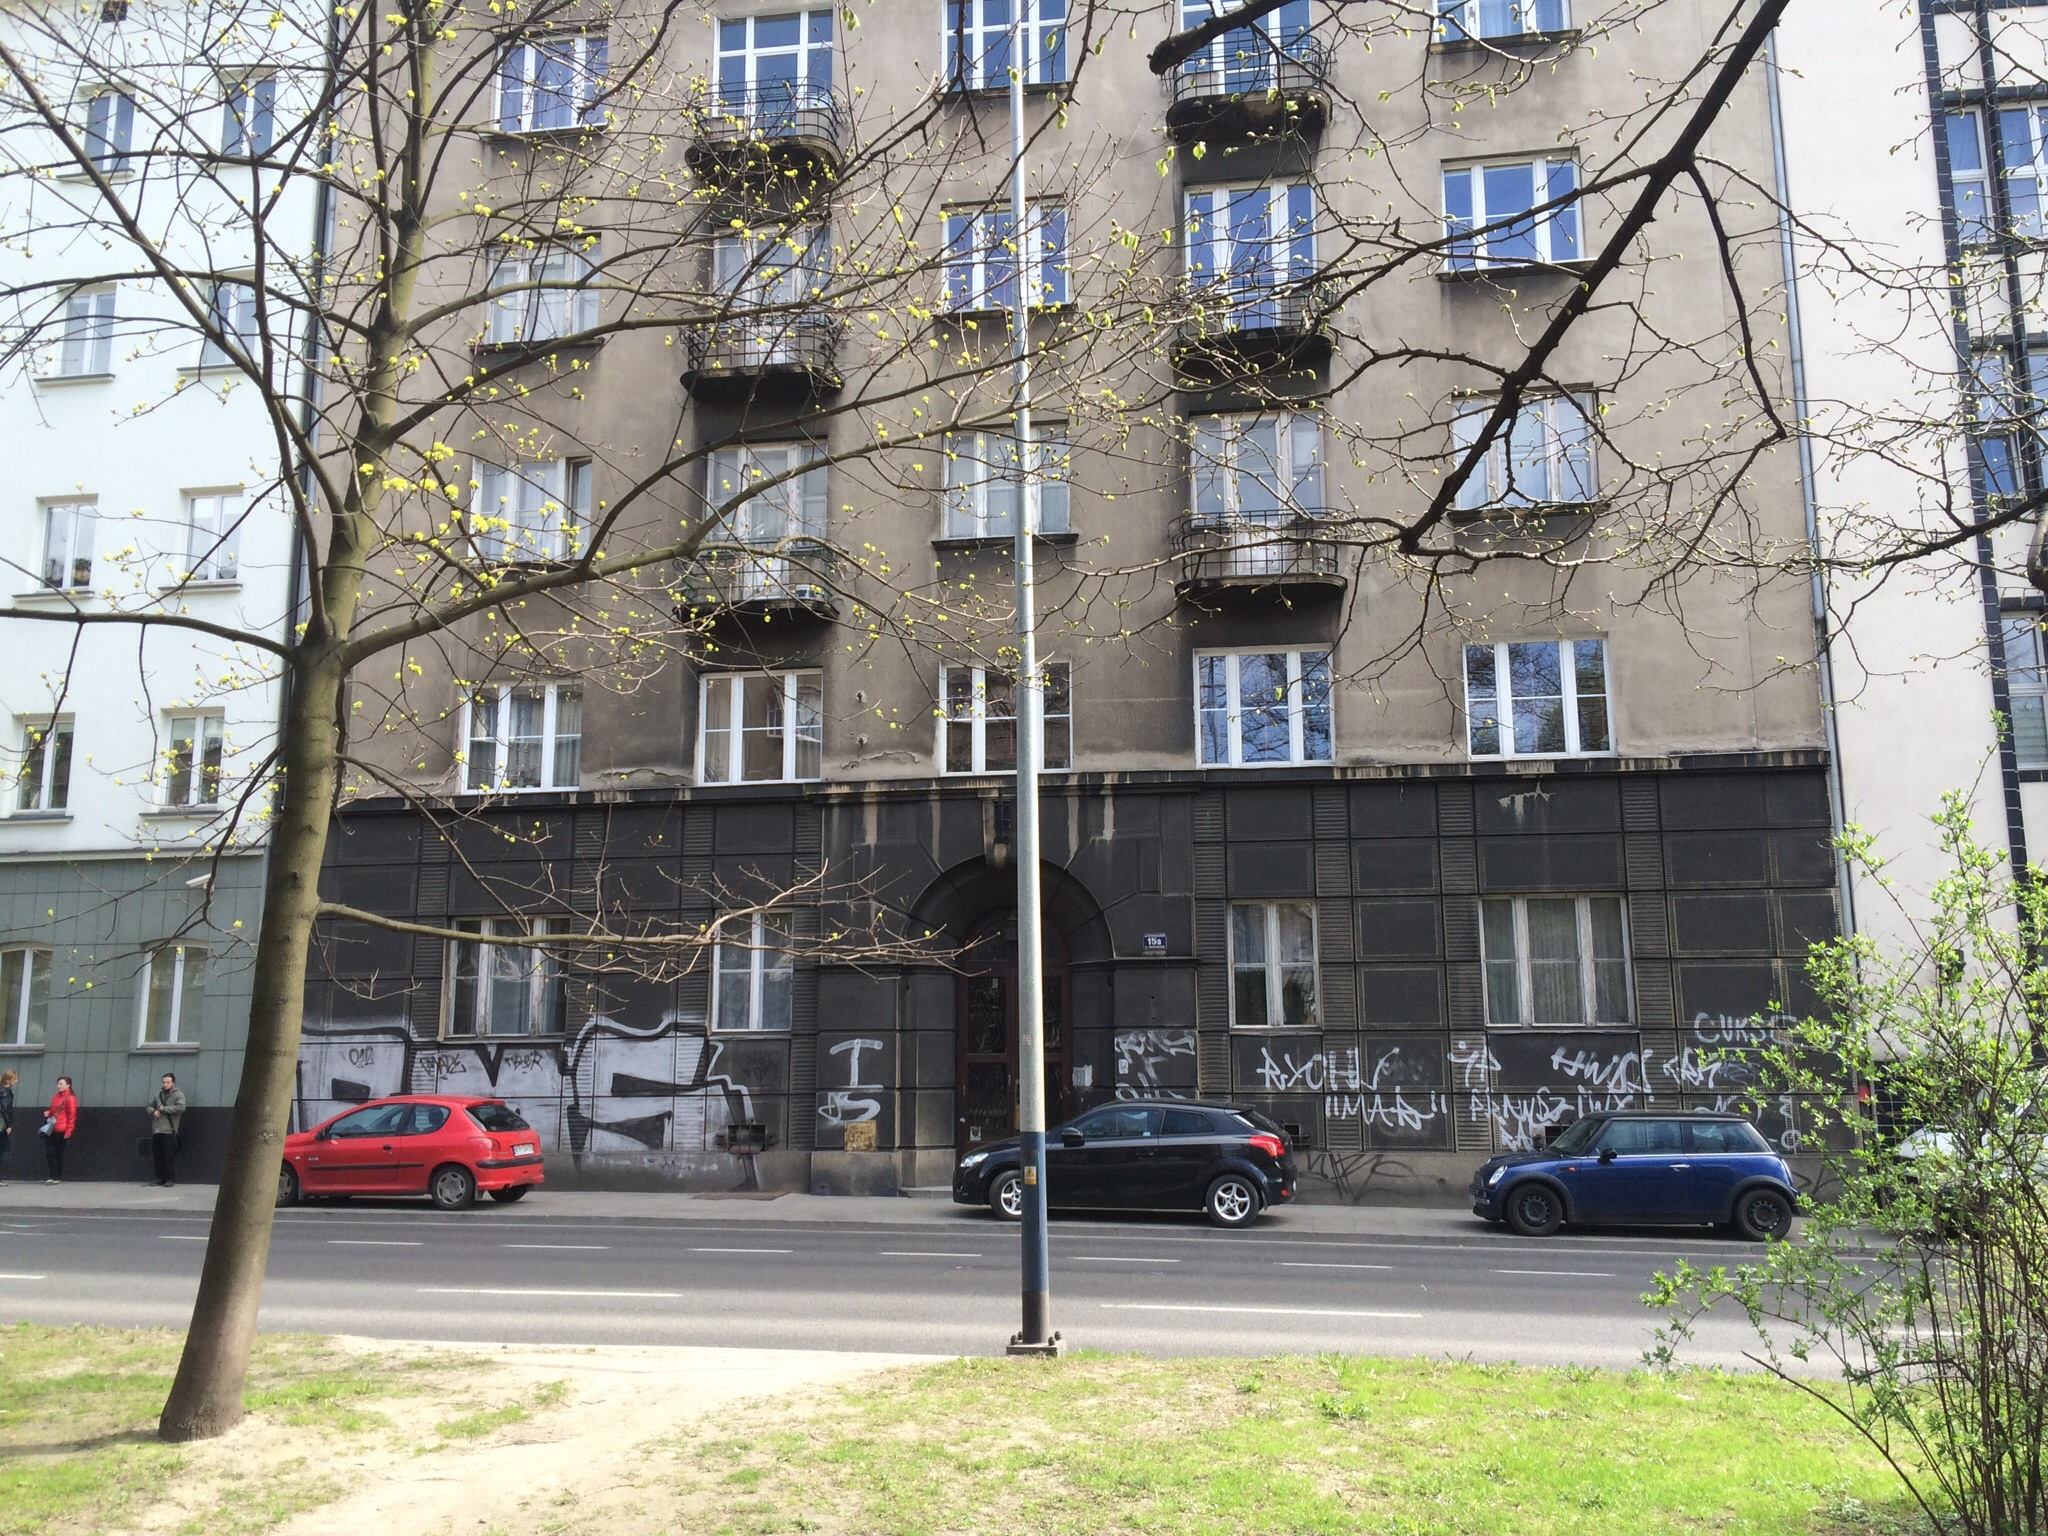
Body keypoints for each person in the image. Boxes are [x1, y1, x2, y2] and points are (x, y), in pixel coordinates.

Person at [147, 1073, 186, 1187]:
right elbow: (149, 1106)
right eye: (164, 1082)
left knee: (168, 1156)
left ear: (173, 1082)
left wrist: (164, 1109)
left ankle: (170, 1179)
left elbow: (181, 1107)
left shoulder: (178, 1094)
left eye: (168, 1082)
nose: (165, 1084)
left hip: (169, 1129)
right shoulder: (158, 1094)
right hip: (157, 1129)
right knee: (157, 1155)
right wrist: (154, 1111)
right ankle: (159, 1178)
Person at [43, 1075, 77, 1183]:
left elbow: (71, 1116)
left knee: (59, 1153)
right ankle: (52, 1175)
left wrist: (69, 1131)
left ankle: (57, 1176)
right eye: (58, 1084)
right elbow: (53, 1110)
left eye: (61, 1084)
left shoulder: (70, 1098)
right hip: (52, 1127)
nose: (58, 1086)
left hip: (62, 1128)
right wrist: (48, 1112)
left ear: (68, 1085)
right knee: (50, 1153)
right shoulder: (55, 1097)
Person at [0, 1069, 16, 1185]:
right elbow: (5, 1109)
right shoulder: (6, 1092)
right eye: (14, 1079)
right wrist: (9, 1125)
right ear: (8, 1080)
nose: (16, 1081)